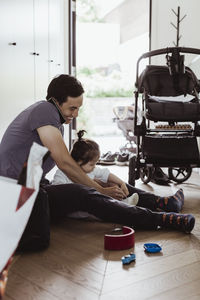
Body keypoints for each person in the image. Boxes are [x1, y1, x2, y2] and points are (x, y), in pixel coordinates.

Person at [0, 74, 195, 251]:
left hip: (31, 188)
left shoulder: (53, 121)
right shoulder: (44, 110)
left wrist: (100, 184)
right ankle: (162, 219)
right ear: (55, 102)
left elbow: (45, 167)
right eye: (72, 108)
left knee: (99, 184)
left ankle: (161, 202)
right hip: (17, 194)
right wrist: (98, 189)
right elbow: (65, 163)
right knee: (86, 193)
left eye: (78, 108)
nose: (75, 114)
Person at [52, 129, 139, 220]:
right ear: (78, 162)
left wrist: (122, 183)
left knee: (112, 184)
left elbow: (106, 174)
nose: (94, 167)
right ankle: (120, 208)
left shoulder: (90, 170)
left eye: (95, 164)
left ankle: (122, 204)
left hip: (92, 202)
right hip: (75, 209)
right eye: (91, 164)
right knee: (101, 205)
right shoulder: (62, 173)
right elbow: (58, 192)